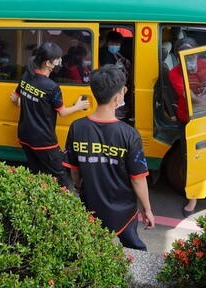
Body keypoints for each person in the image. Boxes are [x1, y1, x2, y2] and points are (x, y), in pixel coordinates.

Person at [63, 64, 155, 250]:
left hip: (90, 206)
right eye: (124, 90)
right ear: (117, 97)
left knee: (92, 248)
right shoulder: (129, 134)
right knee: (134, 249)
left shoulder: (77, 127)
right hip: (124, 212)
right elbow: (138, 180)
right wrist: (148, 209)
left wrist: (80, 187)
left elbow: (75, 170)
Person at [167, 37, 206, 217]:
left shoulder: (204, 63)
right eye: (183, 56)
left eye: (191, 55)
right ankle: (193, 197)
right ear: (177, 56)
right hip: (190, 118)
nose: (188, 59)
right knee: (192, 158)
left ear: (196, 54)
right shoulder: (174, 73)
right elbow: (192, 100)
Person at [10, 42, 89, 187]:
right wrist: (78, 106)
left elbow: (14, 98)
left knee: (36, 171)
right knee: (60, 174)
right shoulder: (52, 87)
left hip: (24, 136)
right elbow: (62, 112)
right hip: (44, 141)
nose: (60, 61)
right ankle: (64, 204)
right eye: (58, 59)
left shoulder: (27, 76)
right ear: (48, 63)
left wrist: (25, 103)